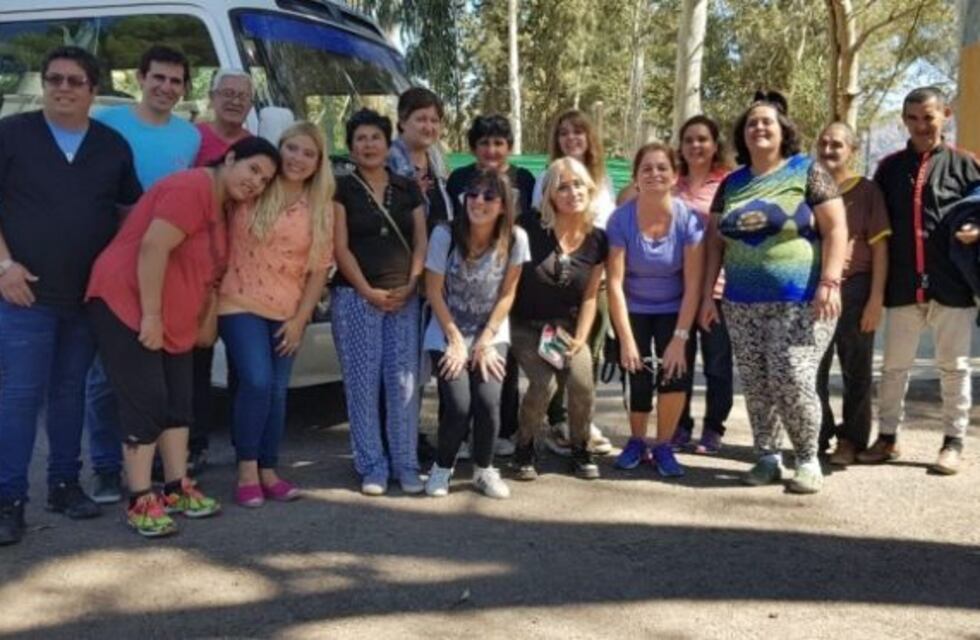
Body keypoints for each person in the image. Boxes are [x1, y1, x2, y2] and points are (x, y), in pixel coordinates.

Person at [85, 137, 280, 538]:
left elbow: (207, 275)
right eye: (253, 170)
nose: (256, 183)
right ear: (230, 159)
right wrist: (151, 316)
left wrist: (202, 325)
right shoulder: (191, 187)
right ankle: (140, 497)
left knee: (180, 400)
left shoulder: (224, 208)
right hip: (126, 301)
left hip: (175, 314)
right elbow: (153, 248)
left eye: (265, 180)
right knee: (147, 400)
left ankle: (175, 487)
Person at [0, 46, 143, 546]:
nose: (63, 87)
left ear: (92, 89)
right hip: (24, 294)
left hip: (86, 298)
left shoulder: (112, 145)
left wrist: (118, 272)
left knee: (69, 393)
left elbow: (130, 212)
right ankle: (8, 499)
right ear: (44, 84)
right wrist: (4, 265)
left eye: (74, 80)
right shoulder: (12, 135)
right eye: (54, 78)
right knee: (19, 396)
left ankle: (64, 483)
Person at [700, 92, 847, 494]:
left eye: (767, 122)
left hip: (799, 300)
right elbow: (715, 243)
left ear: (784, 131)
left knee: (792, 376)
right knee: (757, 380)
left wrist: (830, 282)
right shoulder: (731, 183)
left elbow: (836, 229)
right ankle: (766, 456)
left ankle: (807, 458)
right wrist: (705, 299)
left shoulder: (807, 171)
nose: (759, 128)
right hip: (740, 302)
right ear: (742, 136)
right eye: (751, 123)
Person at [85, 45, 202, 505]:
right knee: (106, 372)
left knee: (154, 372)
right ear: (140, 77)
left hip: (165, 263)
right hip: (116, 255)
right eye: (159, 78)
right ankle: (105, 468)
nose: (166, 88)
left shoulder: (188, 137)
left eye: (175, 81)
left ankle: (155, 467)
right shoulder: (110, 126)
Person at [859, 86, 980, 474]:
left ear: (946, 113)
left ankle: (953, 442)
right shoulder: (889, 167)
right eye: (912, 118)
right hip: (903, 284)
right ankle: (888, 437)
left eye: (928, 117)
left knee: (954, 366)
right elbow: (875, 224)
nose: (920, 126)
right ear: (904, 121)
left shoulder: (967, 164)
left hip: (953, 284)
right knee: (894, 367)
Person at [218, 122, 333, 507]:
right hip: (238, 301)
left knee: (278, 393)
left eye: (308, 153)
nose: (298, 159)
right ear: (280, 149)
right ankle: (247, 469)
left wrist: (300, 320)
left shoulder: (320, 208)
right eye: (292, 148)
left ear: (319, 163)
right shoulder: (254, 189)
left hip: (287, 310)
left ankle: (269, 469)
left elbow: (319, 269)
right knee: (256, 381)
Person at [331, 108, 427, 496]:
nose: (368, 145)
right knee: (362, 383)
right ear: (351, 147)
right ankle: (371, 465)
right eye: (360, 139)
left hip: (404, 297)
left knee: (403, 383)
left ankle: (406, 463)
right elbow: (340, 247)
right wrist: (367, 291)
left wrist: (413, 283)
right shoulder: (340, 187)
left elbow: (421, 240)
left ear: (388, 144)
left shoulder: (407, 188)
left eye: (375, 137)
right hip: (356, 297)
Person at [423, 170, 529, 499]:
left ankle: (484, 469)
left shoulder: (515, 238)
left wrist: (486, 340)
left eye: (488, 196)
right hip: (447, 328)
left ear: (502, 206)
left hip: (490, 329)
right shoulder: (445, 235)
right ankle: (443, 467)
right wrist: (455, 340)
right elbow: (433, 291)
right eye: (472, 194)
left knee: (487, 400)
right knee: (458, 403)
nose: (478, 201)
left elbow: (508, 293)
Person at [608, 143, 704, 478]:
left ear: (675, 176)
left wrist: (680, 337)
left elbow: (693, 284)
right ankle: (636, 441)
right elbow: (615, 284)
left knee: (674, 373)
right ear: (635, 177)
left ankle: (663, 445)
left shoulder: (688, 219)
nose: (654, 174)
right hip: (633, 305)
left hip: (675, 307)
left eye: (662, 168)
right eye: (646, 168)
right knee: (637, 374)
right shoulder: (620, 219)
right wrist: (626, 339)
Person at [510, 157, 607, 481]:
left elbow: (591, 295)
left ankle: (581, 448)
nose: (572, 192)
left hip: (565, 328)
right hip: (524, 325)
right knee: (544, 383)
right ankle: (525, 446)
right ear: (550, 194)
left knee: (582, 382)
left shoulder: (597, 238)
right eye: (562, 186)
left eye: (577, 184)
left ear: (588, 189)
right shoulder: (529, 228)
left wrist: (580, 338)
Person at [447, 115, 535, 458]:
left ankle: (501, 430)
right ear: (473, 148)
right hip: (465, 280)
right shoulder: (458, 179)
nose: (491, 150)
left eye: (499, 143)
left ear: (509, 148)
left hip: (510, 275)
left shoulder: (524, 179)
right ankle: (456, 432)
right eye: (484, 143)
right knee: (456, 364)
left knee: (502, 361)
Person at [532, 110, 615, 458]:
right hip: (560, 281)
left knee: (587, 353)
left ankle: (583, 420)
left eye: (578, 132)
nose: (571, 138)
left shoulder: (604, 178)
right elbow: (542, 225)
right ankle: (558, 422)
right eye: (564, 133)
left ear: (589, 138)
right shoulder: (545, 177)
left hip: (598, 279)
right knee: (556, 353)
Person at [189, 68, 255, 472]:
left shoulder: (258, 146)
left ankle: (242, 443)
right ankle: (194, 444)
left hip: (244, 268)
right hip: (198, 265)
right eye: (226, 93)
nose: (234, 100)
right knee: (196, 357)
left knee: (243, 364)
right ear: (212, 96)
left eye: (242, 95)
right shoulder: (191, 138)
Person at [814, 122, 891, 465]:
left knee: (856, 370)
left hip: (855, 287)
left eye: (837, 145)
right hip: (813, 290)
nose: (829, 150)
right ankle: (817, 434)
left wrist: (875, 299)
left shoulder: (867, 191)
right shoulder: (809, 189)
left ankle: (852, 440)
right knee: (811, 368)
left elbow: (880, 250)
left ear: (852, 150)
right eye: (824, 143)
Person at [670, 115, 734, 455]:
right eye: (689, 140)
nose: (696, 146)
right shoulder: (671, 184)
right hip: (676, 291)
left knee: (717, 364)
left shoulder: (728, 183)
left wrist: (709, 293)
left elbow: (724, 241)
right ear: (680, 146)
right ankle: (679, 425)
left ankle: (713, 428)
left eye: (702, 139)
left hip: (717, 291)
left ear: (714, 145)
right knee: (678, 360)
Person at [388, 87, 453, 230]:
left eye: (434, 120)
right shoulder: (386, 162)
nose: (429, 127)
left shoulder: (438, 159)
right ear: (402, 122)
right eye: (421, 119)